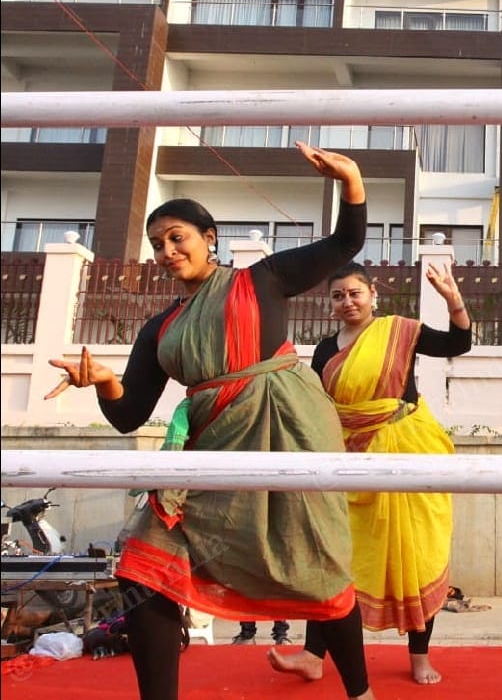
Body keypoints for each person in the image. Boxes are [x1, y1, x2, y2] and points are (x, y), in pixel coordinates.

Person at [45, 141, 377, 700]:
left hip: (289, 432)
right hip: (211, 450)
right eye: (159, 244)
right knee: (142, 570)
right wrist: (102, 381)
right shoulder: (160, 328)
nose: (169, 250)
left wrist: (351, 180)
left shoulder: (261, 280)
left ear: (209, 238)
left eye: (179, 237)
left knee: (315, 566)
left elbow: (347, 242)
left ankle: (360, 693)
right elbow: (130, 416)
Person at [269, 259, 471, 685]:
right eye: (338, 295)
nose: (347, 302)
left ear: (373, 294)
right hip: (349, 461)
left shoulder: (400, 330)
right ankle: (312, 655)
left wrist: (453, 300)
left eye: (354, 293)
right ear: (331, 303)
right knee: (336, 558)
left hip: (409, 452)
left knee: (416, 554)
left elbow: (458, 342)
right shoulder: (325, 350)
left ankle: (419, 656)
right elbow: (321, 410)